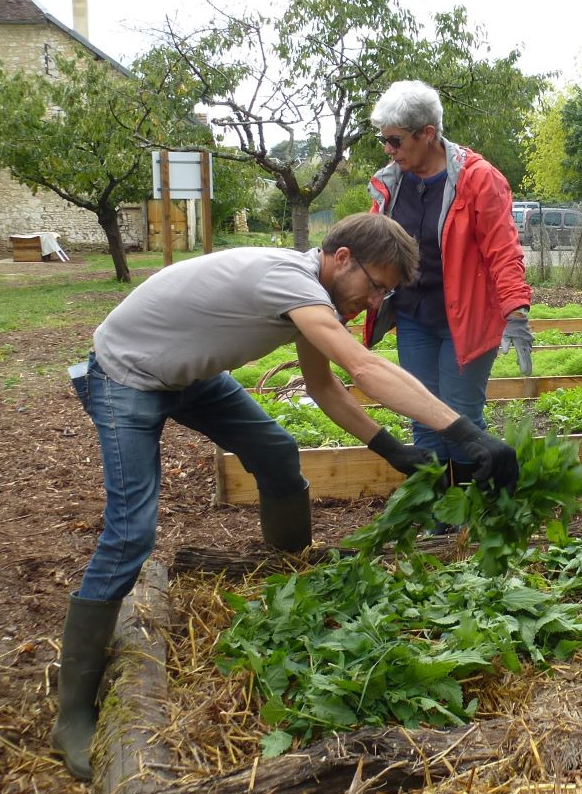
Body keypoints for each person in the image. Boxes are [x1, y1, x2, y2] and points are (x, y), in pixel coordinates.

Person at [54, 212, 519, 780]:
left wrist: (393, 450)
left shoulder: (311, 293)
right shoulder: (291, 281)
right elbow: (364, 368)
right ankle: (72, 711)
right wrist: (466, 433)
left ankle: (288, 565)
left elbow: (324, 387)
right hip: (124, 374)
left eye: (386, 294)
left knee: (276, 451)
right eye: (375, 286)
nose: (375, 304)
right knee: (131, 533)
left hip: (186, 375)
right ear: (341, 258)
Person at [362, 80, 533, 486]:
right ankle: (440, 514)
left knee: (460, 417)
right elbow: (370, 246)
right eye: (384, 140)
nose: (388, 148)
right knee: (422, 415)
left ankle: (471, 508)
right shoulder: (390, 183)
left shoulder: (477, 179)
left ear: (427, 133)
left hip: (468, 319)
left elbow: (502, 250)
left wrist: (515, 311)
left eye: (395, 140)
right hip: (415, 316)